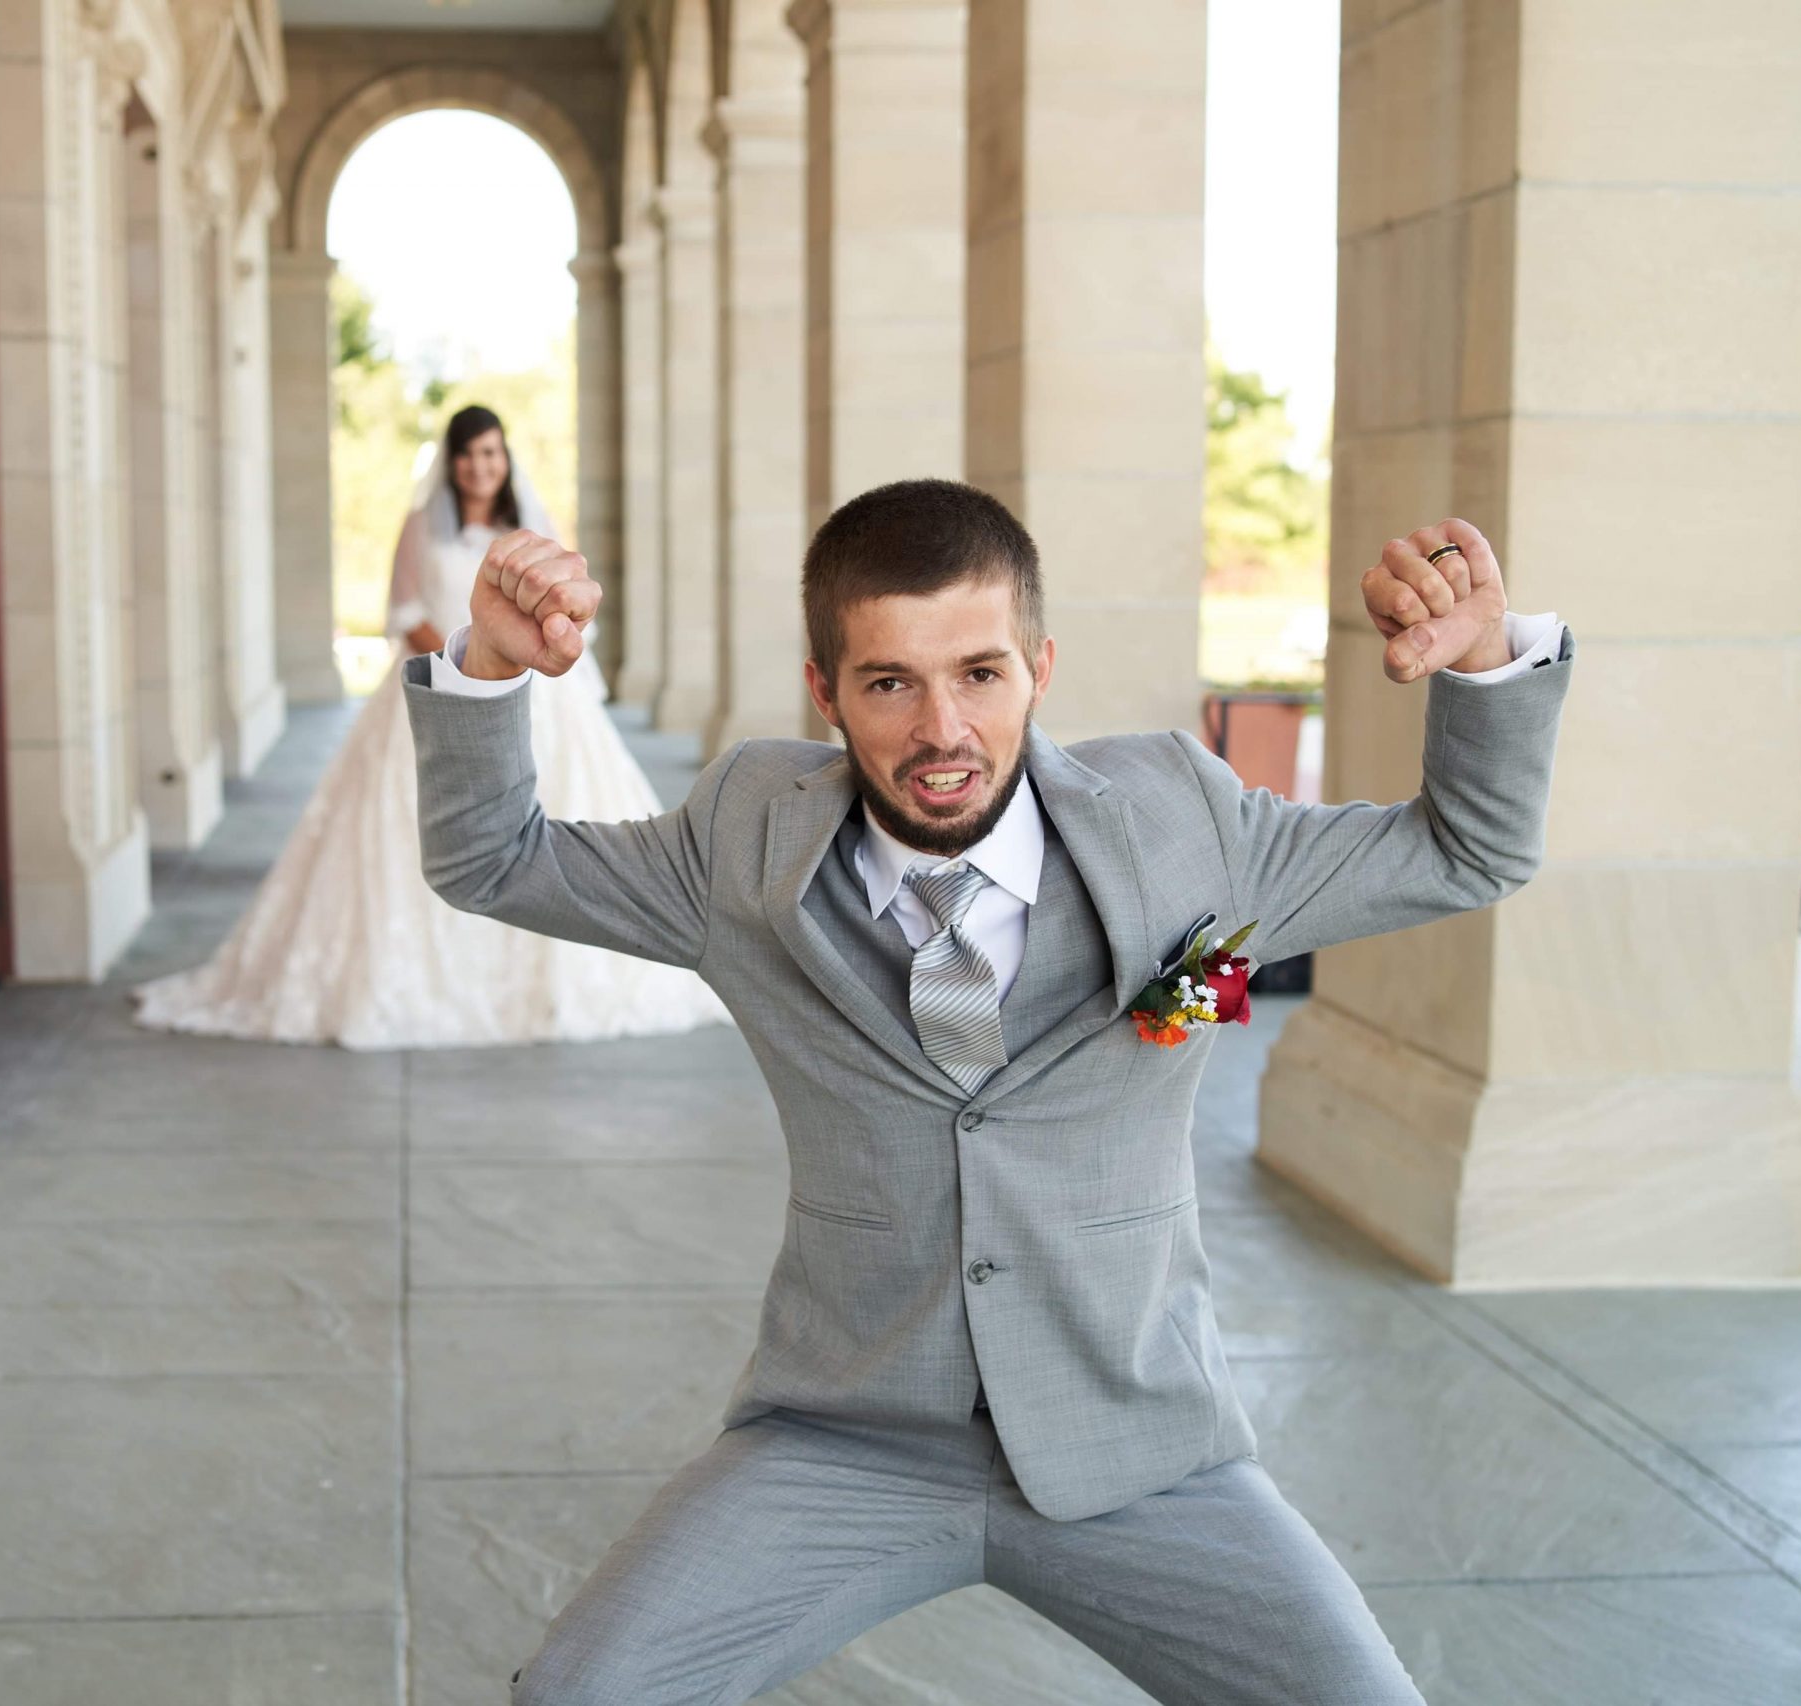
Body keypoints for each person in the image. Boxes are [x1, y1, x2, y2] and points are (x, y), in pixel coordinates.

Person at [404, 479, 1574, 1705]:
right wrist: (490, 667)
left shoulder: (1183, 820)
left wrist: (1483, 659)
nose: (940, 729)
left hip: (1142, 1444)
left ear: (1040, 665)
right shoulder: (746, 838)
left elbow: (1468, 847)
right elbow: (494, 857)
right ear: (825, 691)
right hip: (841, 1438)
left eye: (979, 673)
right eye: (888, 681)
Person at [132, 404, 727, 1048]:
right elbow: (404, 609)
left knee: (550, 819)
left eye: (492, 453)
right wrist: (469, 664)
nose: (481, 466)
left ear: (506, 460)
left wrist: (519, 654)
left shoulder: (531, 524)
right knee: (422, 825)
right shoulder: (421, 525)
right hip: (445, 677)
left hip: (535, 691)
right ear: (452, 461)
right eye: (469, 454)